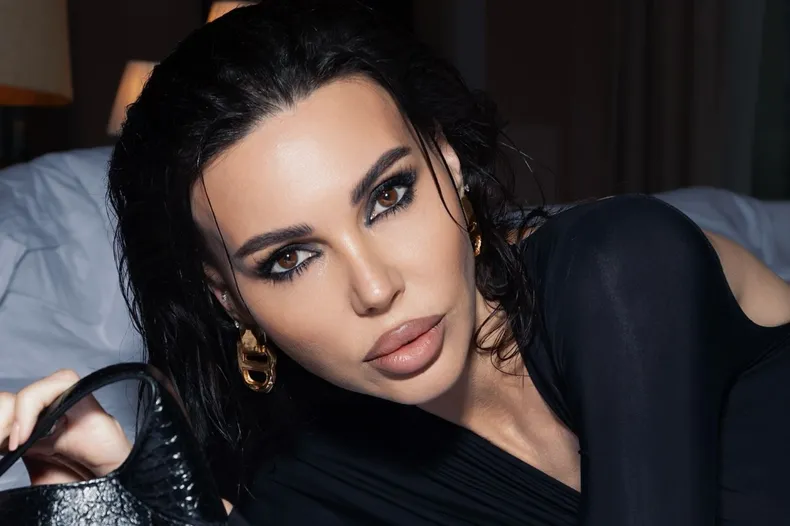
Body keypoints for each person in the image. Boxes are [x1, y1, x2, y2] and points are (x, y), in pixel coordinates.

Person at [2, 1, 790, 524]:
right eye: (290, 257)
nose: (377, 287)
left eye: (388, 196)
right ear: (228, 299)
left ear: (447, 164)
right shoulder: (310, 480)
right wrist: (138, 499)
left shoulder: (621, 269)